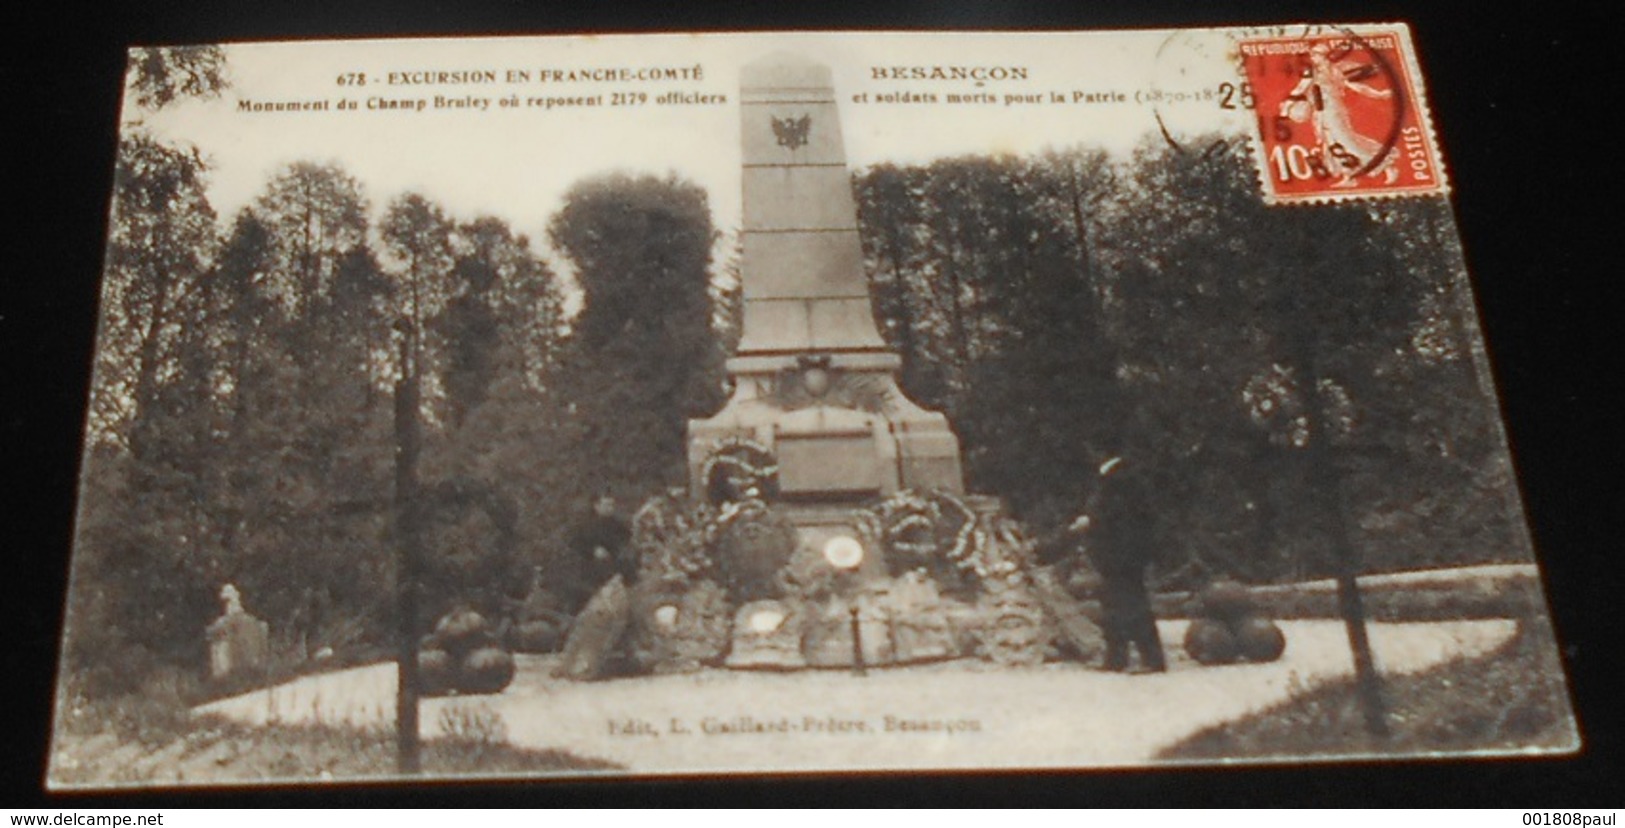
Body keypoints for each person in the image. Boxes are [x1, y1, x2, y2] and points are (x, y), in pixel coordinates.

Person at [1076, 455, 1166, 673]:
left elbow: (1123, 514)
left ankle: (1152, 659)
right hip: (1114, 554)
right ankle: (1116, 657)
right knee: (1113, 605)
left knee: (1133, 604)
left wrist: (1092, 520)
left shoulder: (1125, 475)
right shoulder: (1113, 474)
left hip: (1125, 554)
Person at [566, 492, 635, 609]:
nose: (610, 508)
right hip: (590, 568)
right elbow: (575, 544)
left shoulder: (618, 526)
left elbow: (627, 541)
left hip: (615, 567)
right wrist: (592, 550)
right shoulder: (584, 525)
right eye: (606, 505)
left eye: (612, 505)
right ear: (596, 506)